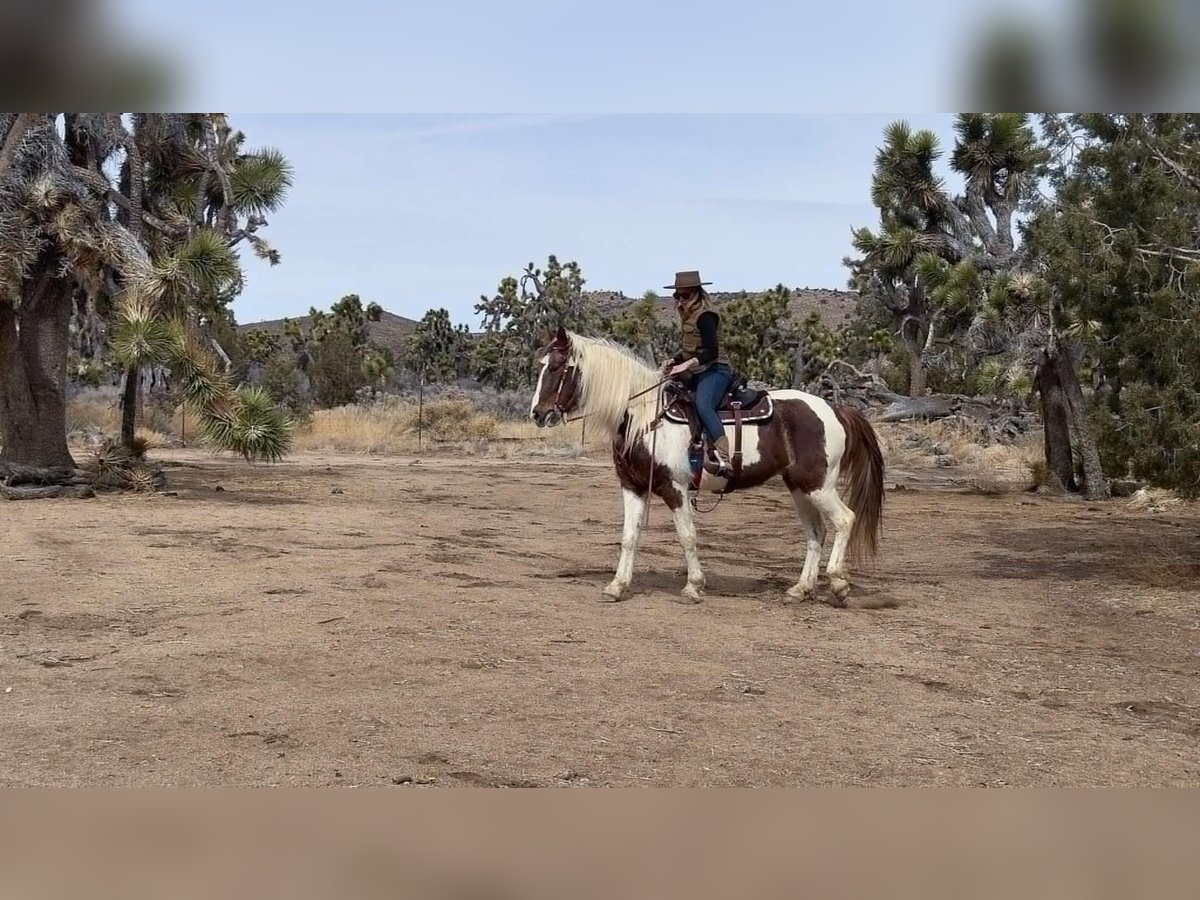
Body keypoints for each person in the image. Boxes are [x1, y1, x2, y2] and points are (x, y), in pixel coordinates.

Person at [660, 270, 734, 476]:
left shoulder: (706, 316)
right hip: (698, 370)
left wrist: (684, 366)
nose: (680, 300)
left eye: (684, 295)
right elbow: (689, 349)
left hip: (716, 369)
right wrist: (674, 361)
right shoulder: (688, 315)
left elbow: (711, 351)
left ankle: (722, 457)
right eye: (677, 295)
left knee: (703, 405)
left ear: (697, 294)